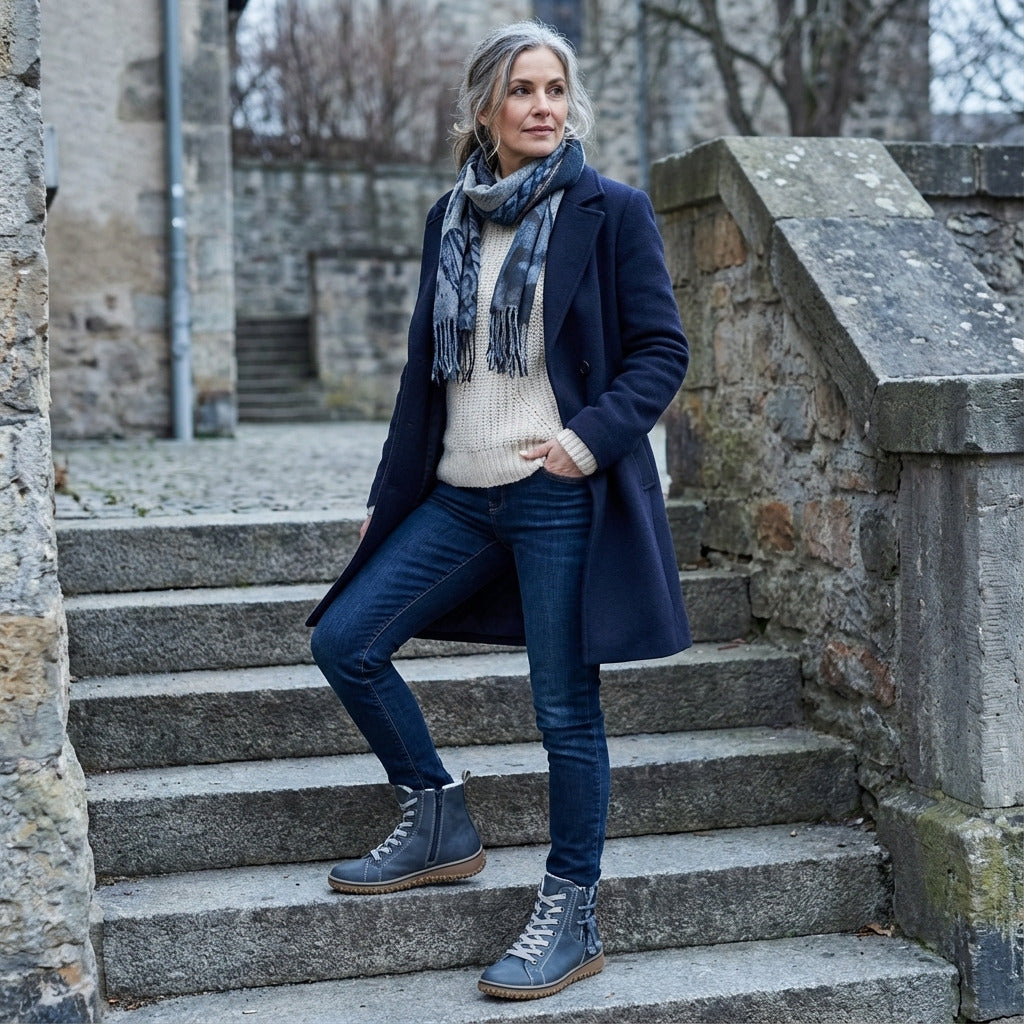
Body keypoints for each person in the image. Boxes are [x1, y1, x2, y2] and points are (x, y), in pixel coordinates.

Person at [308, 19, 690, 1001]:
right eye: (522, 90)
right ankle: (437, 811)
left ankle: (572, 912)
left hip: (556, 494)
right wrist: (385, 500)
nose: (542, 107)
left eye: (555, 89)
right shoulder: (451, 218)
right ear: (484, 108)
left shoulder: (610, 210)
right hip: (456, 494)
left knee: (564, 710)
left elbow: (662, 351)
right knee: (346, 639)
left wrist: (583, 442)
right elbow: (423, 378)